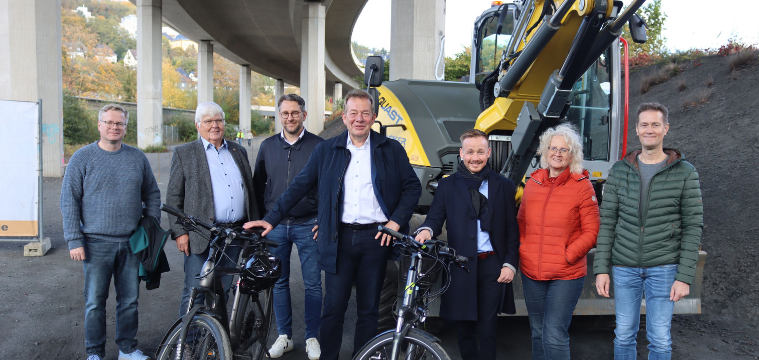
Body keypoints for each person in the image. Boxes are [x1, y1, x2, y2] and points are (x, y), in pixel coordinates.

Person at [245, 89, 421, 360]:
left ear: (373, 117)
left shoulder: (391, 149)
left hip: (376, 239)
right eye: (353, 113)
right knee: (333, 308)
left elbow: (412, 188)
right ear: (344, 117)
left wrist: (396, 222)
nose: (359, 118)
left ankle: (363, 356)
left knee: (369, 309)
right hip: (338, 239)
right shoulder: (327, 150)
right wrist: (271, 219)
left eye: (365, 113)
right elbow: (298, 187)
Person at [594, 102, 703, 360]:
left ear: (666, 129)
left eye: (655, 124)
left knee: (660, 338)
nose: (649, 130)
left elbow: (692, 226)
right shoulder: (620, 171)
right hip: (624, 267)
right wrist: (601, 269)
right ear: (636, 130)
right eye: (644, 124)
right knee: (623, 334)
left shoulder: (685, 173)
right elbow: (607, 221)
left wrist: (684, 276)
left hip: (664, 268)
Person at [61, 104, 160, 360]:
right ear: (99, 125)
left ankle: (127, 349)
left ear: (126, 128)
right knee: (95, 303)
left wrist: (150, 225)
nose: (114, 127)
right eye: (109, 122)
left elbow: (151, 193)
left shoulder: (137, 157)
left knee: (129, 301)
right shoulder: (82, 158)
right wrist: (74, 239)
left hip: (131, 243)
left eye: (120, 124)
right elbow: (68, 199)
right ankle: (94, 353)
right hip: (95, 243)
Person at [414, 129, 519, 360]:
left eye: (480, 152)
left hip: (492, 265)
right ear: (461, 154)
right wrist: (425, 229)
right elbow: (434, 218)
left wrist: (510, 264)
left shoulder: (504, 186)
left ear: (488, 153)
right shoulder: (447, 186)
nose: (475, 157)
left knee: (488, 329)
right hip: (461, 265)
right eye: (470, 152)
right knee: (465, 330)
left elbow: (512, 229)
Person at [166, 101, 260, 316]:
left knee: (222, 290)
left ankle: (214, 344)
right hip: (201, 232)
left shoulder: (238, 151)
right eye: (208, 121)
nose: (214, 125)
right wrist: (180, 233)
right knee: (195, 290)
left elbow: (249, 191)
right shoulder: (185, 153)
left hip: (234, 235)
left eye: (218, 120)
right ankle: (187, 344)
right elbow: (173, 196)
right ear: (198, 125)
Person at [517, 124, 600, 360]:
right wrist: (524, 250)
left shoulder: (582, 186)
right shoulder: (533, 183)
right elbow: (521, 223)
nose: (557, 153)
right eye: (553, 148)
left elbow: (592, 231)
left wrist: (568, 255)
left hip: (566, 273)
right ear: (545, 151)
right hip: (532, 270)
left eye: (564, 150)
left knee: (554, 332)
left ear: (572, 154)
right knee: (537, 331)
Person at [252, 94, 324, 359]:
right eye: (285, 113)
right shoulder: (267, 146)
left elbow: (329, 187)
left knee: (313, 284)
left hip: (309, 223)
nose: (290, 118)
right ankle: (284, 336)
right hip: (276, 226)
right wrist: (262, 220)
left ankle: (312, 337)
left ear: (304, 115)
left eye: (295, 113)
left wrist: (324, 220)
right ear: (279, 116)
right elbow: (258, 185)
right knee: (278, 282)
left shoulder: (319, 145)